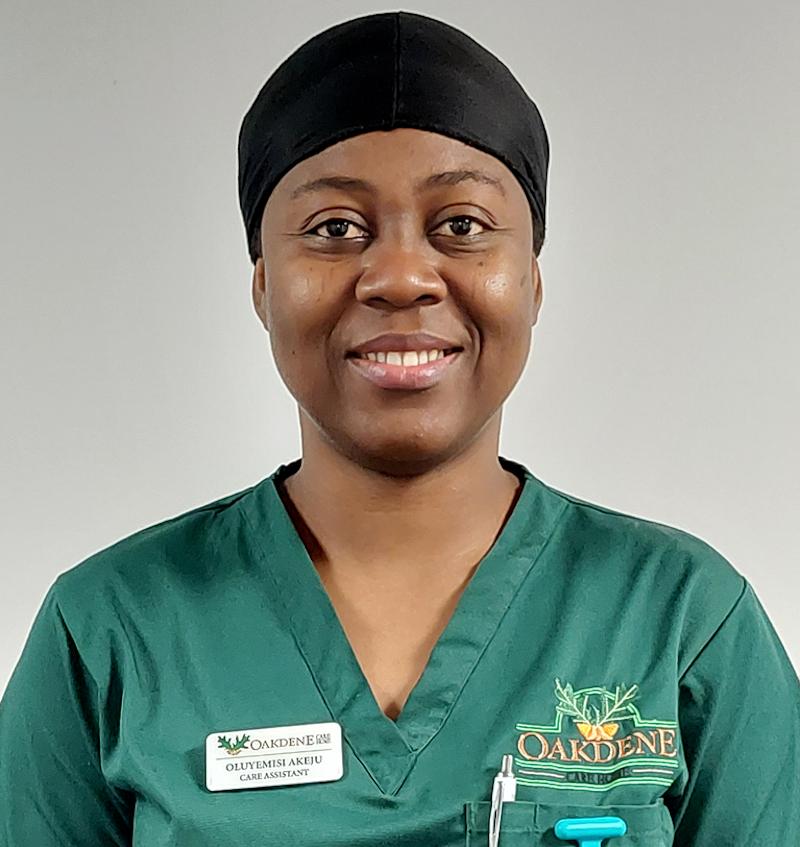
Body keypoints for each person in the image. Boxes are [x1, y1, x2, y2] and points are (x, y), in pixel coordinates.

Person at [1, 10, 798, 847]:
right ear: (263, 286)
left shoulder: (682, 620)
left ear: (531, 280)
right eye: (335, 229)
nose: (401, 276)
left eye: (462, 225)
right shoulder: (107, 632)